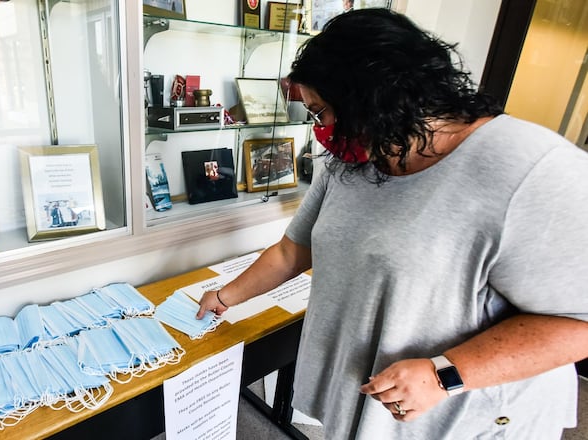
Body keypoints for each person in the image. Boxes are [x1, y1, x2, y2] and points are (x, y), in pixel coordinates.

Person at [197, 9, 588, 439]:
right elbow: (294, 250)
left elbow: (578, 323)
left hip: (463, 417)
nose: (320, 130)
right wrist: (225, 295)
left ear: (374, 97)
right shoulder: (356, 160)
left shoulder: (532, 169)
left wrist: (447, 374)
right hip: (371, 407)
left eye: (322, 112)